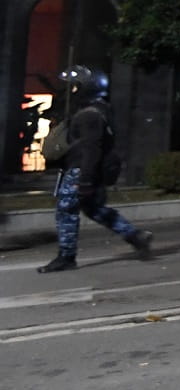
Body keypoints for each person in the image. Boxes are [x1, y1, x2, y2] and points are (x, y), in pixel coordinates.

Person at [37, 65, 152, 272]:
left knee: (66, 211)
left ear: (86, 88)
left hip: (81, 170)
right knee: (94, 209)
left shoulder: (89, 115)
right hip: (86, 170)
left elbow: (91, 149)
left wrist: (85, 181)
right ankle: (135, 236)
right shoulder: (98, 111)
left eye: (74, 87)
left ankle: (66, 256)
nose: (69, 91)